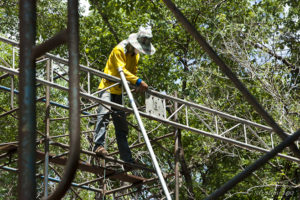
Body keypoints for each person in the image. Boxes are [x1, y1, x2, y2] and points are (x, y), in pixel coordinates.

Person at [93, 25, 156, 164]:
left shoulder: (136, 55)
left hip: (119, 91)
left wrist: (135, 84)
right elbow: (122, 71)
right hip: (108, 87)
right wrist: (138, 81)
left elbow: (132, 73)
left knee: (121, 125)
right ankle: (98, 146)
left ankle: (127, 159)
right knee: (103, 115)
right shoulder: (119, 50)